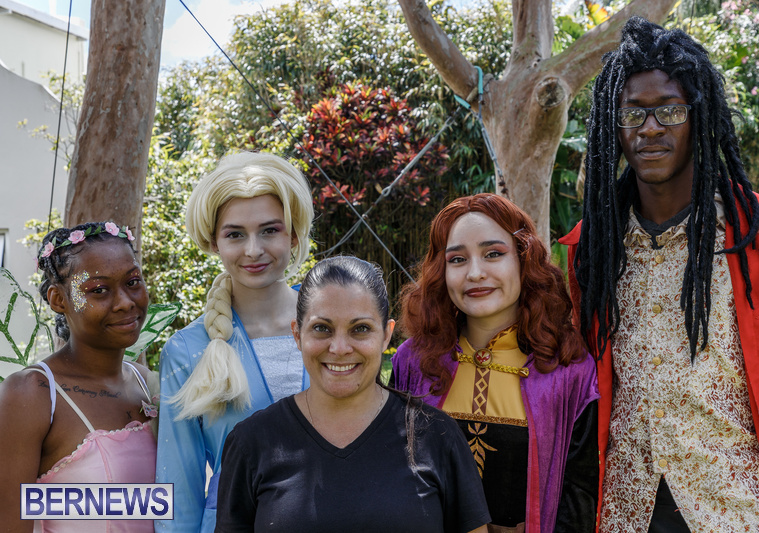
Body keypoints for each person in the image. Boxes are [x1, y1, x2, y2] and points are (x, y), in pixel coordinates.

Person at [560, 16, 759, 533]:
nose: (649, 129)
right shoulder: (591, 250)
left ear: (699, 115)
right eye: (632, 114)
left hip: (737, 514)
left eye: (669, 110)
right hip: (624, 516)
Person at [215, 256, 491, 533]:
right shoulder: (251, 443)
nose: (339, 348)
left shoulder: (438, 437)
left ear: (386, 335)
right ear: (297, 334)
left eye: (360, 329)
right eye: (322, 328)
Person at [393, 193, 599, 533]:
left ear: (524, 259)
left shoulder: (570, 371)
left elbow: (581, 497)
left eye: (493, 254)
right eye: (457, 259)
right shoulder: (412, 363)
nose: (475, 273)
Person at [156, 152, 315, 533]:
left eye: (270, 231)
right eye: (235, 234)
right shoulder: (186, 350)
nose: (253, 250)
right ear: (214, 241)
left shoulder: (335, 329)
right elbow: (179, 492)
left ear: (293, 235)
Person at [0, 221, 157, 533]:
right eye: (99, 290)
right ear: (58, 299)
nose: (126, 302)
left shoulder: (147, 384)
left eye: (133, 282)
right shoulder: (33, 394)